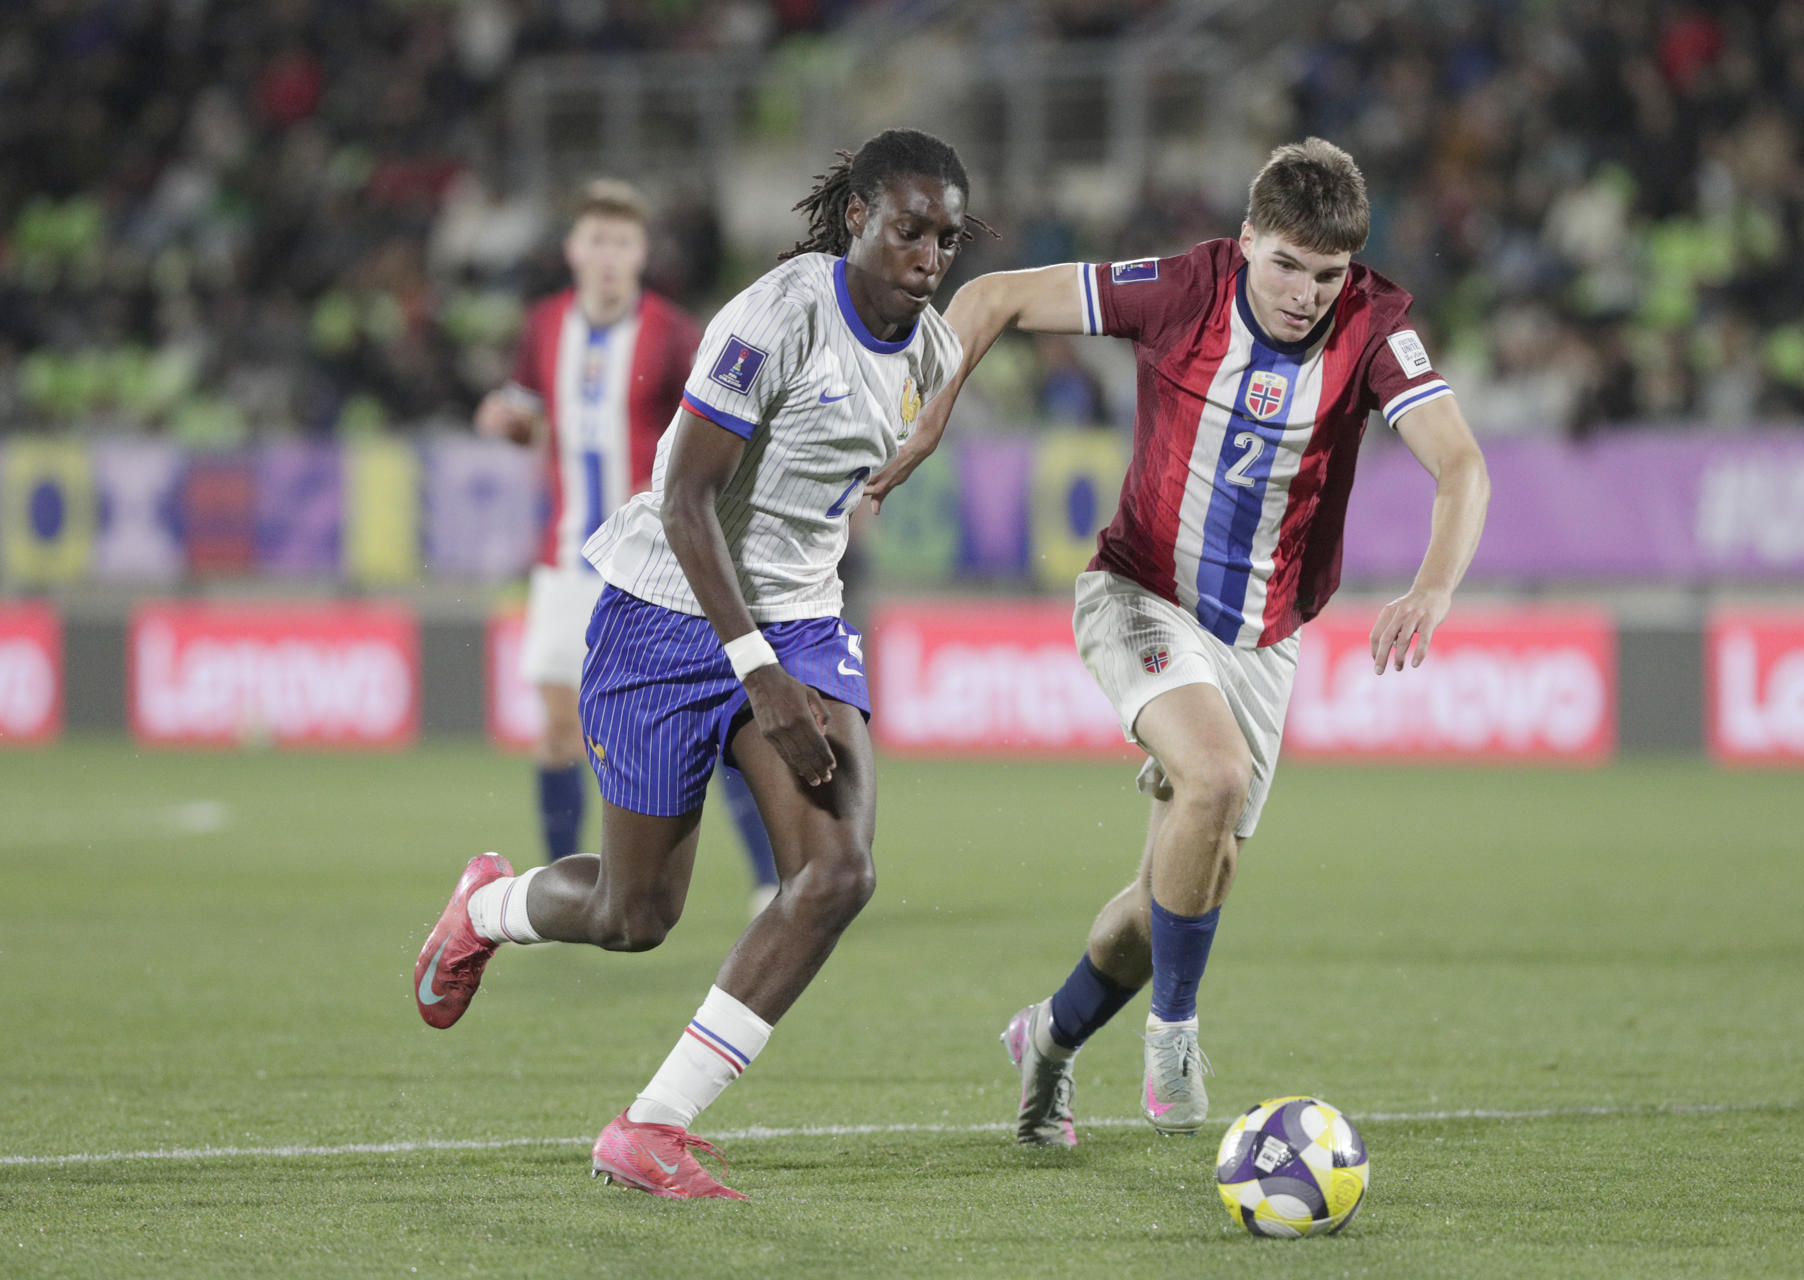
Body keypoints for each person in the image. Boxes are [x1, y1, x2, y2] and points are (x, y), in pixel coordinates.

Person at [865, 137, 1491, 1145]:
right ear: (1248, 240)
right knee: (1213, 776)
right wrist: (932, 415)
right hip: (1138, 592)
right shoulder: (1181, 288)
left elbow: (1461, 466)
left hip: (1264, 637)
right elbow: (990, 300)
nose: (1302, 293)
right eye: (1285, 263)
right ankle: (1173, 1034)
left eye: (1325, 274)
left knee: (1177, 893)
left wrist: (1433, 585)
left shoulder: (1376, 327)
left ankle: (1049, 1040)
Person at [415, 129, 980, 1198]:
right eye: (911, 227)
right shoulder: (777, 315)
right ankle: (487, 906)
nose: (929, 252)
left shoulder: (937, 353)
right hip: (668, 613)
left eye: (947, 236)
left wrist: (797, 632)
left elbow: (856, 472)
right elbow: (682, 502)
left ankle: (650, 1124)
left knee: (839, 872)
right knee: (637, 916)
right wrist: (758, 669)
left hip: (801, 622)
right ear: (858, 216)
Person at [474, 177, 779, 913]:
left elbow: (719, 425)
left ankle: (771, 879)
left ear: (641, 252)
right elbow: (521, 406)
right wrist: (504, 418)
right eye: (596, 239)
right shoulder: (543, 326)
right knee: (555, 728)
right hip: (566, 554)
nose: (609, 254)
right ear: (573, 249)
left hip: (656, 565)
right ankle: (557, 886)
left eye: (623, 241)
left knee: (704, 725)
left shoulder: (675, 334)